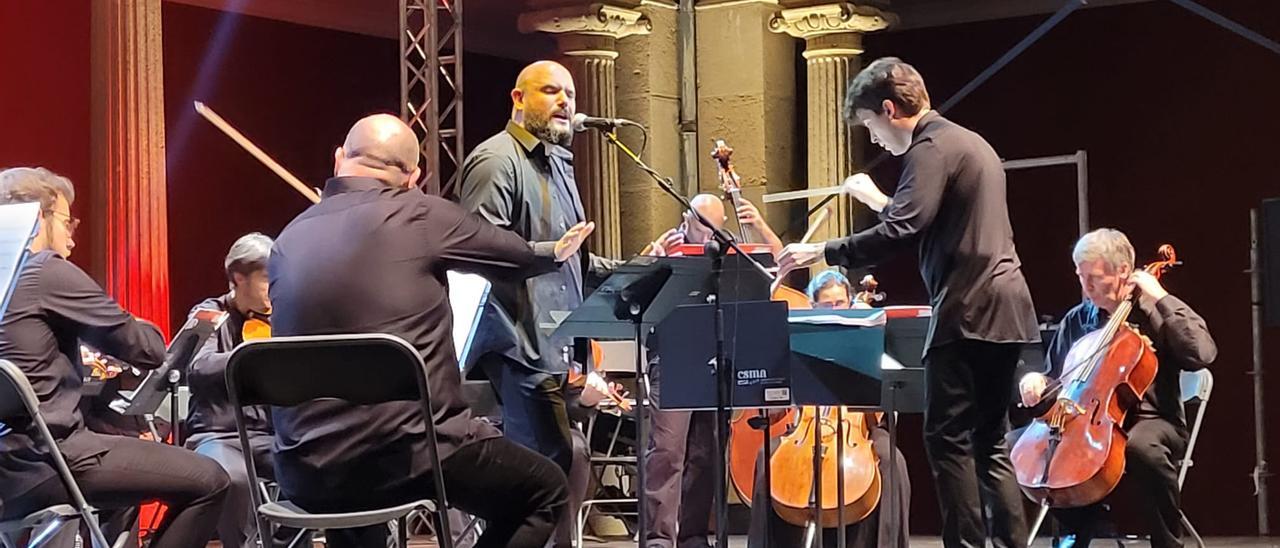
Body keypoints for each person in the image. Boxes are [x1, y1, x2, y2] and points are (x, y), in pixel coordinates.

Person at [269, 114, 592, 548]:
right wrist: (554, 252)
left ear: (339, 158)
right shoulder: (421, 214)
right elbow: (513, 256)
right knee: (544, 489)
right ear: (414, 177)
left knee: (353, 509)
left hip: (305, 470)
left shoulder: (288, 238)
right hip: (407, 459)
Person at [778, 57, 1040, 548]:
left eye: (872, 127)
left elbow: (905, 228)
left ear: (890, 108)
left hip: (967, 309)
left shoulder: (929, 147)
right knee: (989, 443)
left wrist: (823, 249)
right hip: (1008, 306)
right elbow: (933, 220)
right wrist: (881, 200)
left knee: (948, 441)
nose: (875, 140)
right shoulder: (969, 142)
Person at [0, 167, 230, 548]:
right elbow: (148, 349)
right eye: (66, 219)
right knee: (211, 480)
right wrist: (133, 320)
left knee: (125, 483)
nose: (72, 231)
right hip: (48, 462)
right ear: (38, 219)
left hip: (10, 468)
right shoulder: (46, 272)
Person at [457, 60, 620, 476]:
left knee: (567, 466)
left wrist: (640, 266)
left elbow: (573, 262)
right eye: (550, 91)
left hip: (555, 348)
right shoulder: (496, 160)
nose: (565, 101)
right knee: (546, 472)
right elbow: (479, 252)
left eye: (570, 93)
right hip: (517, 348)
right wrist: (550, 252)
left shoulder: (558, 165)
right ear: (518, 98)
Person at [1016, 229, 1215, 548]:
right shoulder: (1078, 319)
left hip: (1154, 421)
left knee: (1140, 447)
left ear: (1123, 270)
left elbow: (1201, 354)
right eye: (1081, 276)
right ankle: (1075, 534)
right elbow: (1057, 380)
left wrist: (1161, 297)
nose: (1086, 286)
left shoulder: (1156, 313)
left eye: (1093, 277)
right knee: (1020, 447)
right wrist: (1034, 383)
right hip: (1088, 421)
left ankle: (1166, 543)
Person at [747, 269, 910, 548]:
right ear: (813, 307)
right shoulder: (798, 342)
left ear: (850, 304)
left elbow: (892, 406)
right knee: (766, 455)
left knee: (892, 460)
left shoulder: (871, 338)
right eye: (827, 305)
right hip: (805, 430)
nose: (835, 310)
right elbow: (773, 398)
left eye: (840, 304)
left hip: (861, 432)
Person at [184, 232, 299, 548]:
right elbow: (197, 367)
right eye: (265, 279)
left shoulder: (281, 316)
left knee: (316, 469)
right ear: (238, 277)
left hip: (270, 436)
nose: (273, 289)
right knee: (234, 478)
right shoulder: (209, 313)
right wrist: (248, 357)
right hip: (217, 436)